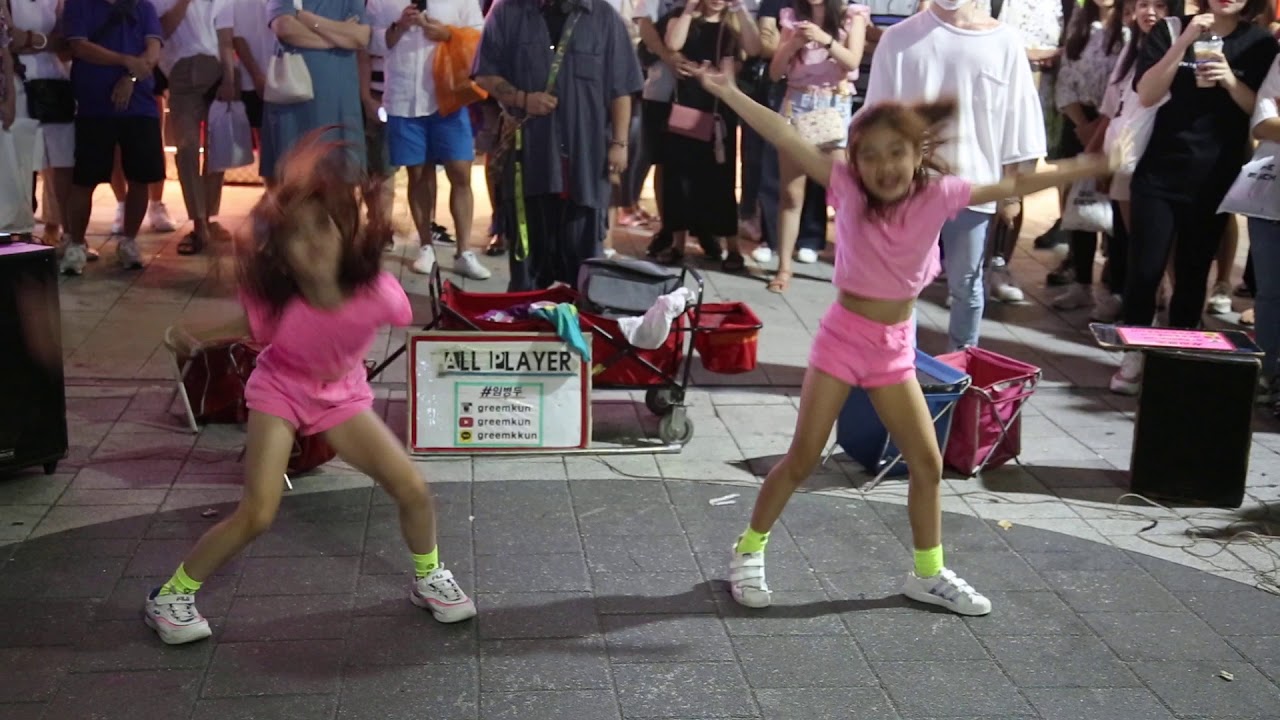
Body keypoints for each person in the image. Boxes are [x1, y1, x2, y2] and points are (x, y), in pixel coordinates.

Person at [692, 66, 1115, 615]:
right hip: (842, 341)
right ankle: (748, 550)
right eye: (869, 155)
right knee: (802, 458)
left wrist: (1092, 163)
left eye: (895, 153)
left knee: (927, 464)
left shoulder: (940, 196)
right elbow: (784, 133)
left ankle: (928, 572)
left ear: (918, 153)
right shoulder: (845, 186)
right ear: (855, 159)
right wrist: (730, 93)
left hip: (893, 347)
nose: (882, 166)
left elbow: (1013, 185)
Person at [148, 131, 476, 645]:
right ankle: (170, 597)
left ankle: (429, 576)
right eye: (298, 236)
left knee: (413, 489)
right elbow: (243, 322)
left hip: (342, 397)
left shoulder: (379, 294)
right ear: (281, 256)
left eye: (324, 226)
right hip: (279, 392)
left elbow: (420, 316)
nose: (316, 241)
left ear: (348, 231)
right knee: (258, 513)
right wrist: (191, 336)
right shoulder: (278, 307)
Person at [1110, 0, 1278, 394]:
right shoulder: (1170, 30)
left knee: (1192, 272)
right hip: (1158, 171)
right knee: (1145, 270)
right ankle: (1134, 355)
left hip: (1215, 175)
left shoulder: (1259, 44)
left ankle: (1177, 356)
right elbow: (1147, 93)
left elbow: (1261, 115)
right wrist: (1185, 39)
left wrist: (1230, 80)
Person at [861, 0, 1046, 351]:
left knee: (966, 283)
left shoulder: (1004, 41)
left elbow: (1018, 119)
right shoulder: (900, 38)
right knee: (904, 282)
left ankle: (961, 364)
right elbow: (875, 117)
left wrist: (1011, 193)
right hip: (911, 188)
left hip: (974, 185)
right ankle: (899, 365)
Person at [473, 0, 644, 292]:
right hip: (531, 160)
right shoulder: (506, 11)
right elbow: (484, 72)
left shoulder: (602, 16)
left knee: (585, 268)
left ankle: (581, 327)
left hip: (586, 162)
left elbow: (622, 87)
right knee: (527, 271)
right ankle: (525, 322)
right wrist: (522, 99)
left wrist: (619, 143)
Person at [370, 0, 491, 280]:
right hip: (403, 99)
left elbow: (480, 38)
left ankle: (464, 252)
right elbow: (371, 43)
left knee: (460, 171)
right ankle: (426, 246)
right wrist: (398, 27)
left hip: (449, 96)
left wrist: (447, 34)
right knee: (418, 174)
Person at [763, 0, 867, 292]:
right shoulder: (793, 17)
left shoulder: (852, 15)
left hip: (833, 106)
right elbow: (774, 72)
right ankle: (784, 268)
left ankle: (850, 268)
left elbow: (853, 60)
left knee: (844, 193)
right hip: (797, 105)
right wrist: (793, 43)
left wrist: (826, 40)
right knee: (790, 193)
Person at [61, 0, 166, 275]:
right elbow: (79, 47)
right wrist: (124, 60)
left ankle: (129, 241)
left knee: (141, 176)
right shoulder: (79, 4)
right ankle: (75, 243)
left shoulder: (143, 6)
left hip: (140, 104)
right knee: (85, 178)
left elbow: (153, 50)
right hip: (94, 104)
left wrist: (129, 77)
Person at [263, 0, 372, 181]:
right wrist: (337, 39)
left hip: (340, 98)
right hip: (295, 101)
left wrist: (309, 19)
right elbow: (285, 27)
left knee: (340, 183)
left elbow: (360, 37)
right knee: (292, 184)